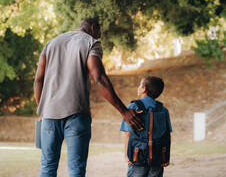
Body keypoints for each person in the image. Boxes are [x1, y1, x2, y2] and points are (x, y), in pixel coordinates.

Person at [34, 18, 143, 177]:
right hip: (76, 115)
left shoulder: (51, 43)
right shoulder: (91, 43)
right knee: (76, 170)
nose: (100, 35)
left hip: (49, 115)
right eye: (100, 31)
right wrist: (124, 111)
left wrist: (42, 111)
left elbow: (38, 79)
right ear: (93, 27)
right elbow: (99, 78)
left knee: (47, 167)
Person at [120, 76, 172, 177]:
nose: (138, 87)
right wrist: (165, 157)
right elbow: (167, 135)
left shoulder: (132, 107)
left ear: (144, 89)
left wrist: (126, 154)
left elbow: (127, 133)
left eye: (140, 85)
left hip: (137, 156)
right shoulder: (163, 110)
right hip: (157, 157)